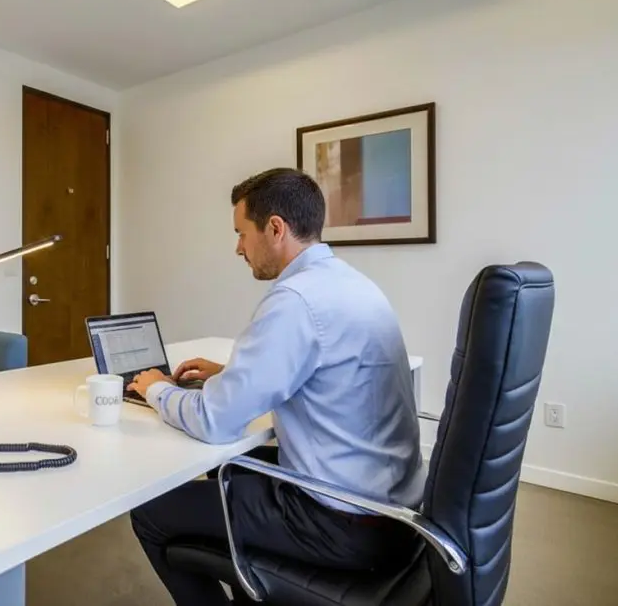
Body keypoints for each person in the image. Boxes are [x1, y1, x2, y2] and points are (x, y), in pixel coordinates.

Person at [126, 167, 425, 606]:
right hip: (394, 508)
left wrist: (155, 388)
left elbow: (214, 421)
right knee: (236, 466)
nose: (238, 249)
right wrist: (228, 373)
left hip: (343, 521)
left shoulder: (295, 300)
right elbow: (316, 366)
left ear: (275, 228)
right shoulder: (351, 285)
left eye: (241, 234)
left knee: (151, 511)